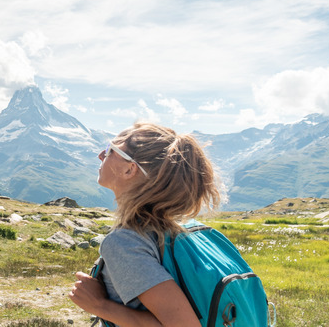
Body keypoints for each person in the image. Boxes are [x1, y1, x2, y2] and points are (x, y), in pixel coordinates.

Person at [68, 122, 222, 326]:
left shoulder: (125, 242)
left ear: (129, 169)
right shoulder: (188, 229)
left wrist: (99, 305)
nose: (100, 155)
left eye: (110, 150)